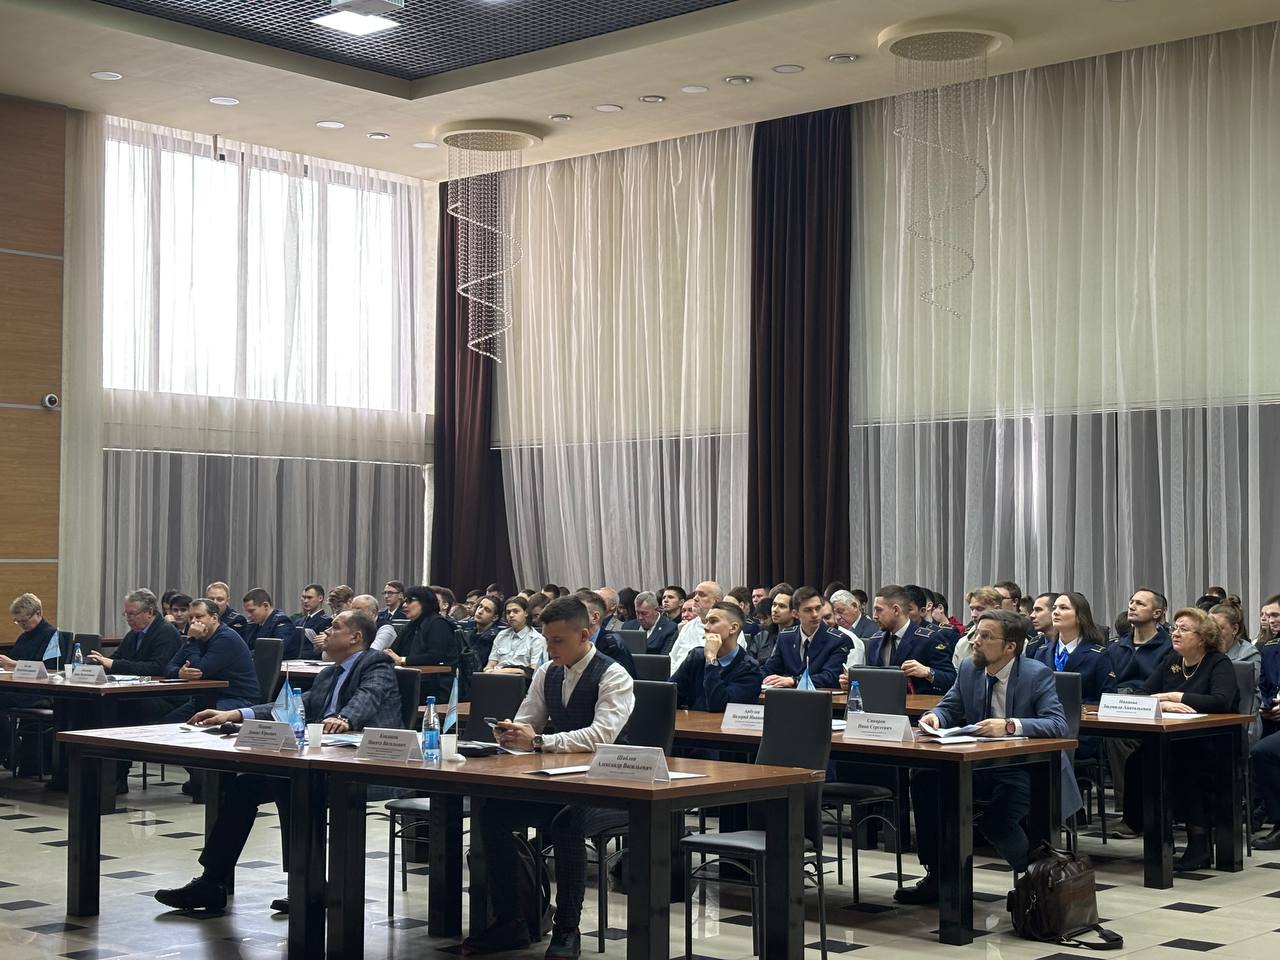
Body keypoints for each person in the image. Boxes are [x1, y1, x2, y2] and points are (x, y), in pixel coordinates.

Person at [153, 610, 401, 913]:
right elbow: (292, 706)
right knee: (244, 787)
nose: (326, 632)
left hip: (365, 767)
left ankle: (307, 884)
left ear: (355, 637)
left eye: (335, 627)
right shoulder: (329, 674)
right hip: (320, 761)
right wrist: (236, 714)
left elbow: (367, 697)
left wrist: (344, 718)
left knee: (290, 785)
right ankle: (212, 882)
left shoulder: (376, 665)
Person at [464, 597, 635, 958]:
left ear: (584, 635)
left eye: (558, 640)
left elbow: (601, 736)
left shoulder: (613, 674)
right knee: (493, 813)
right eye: (546, 640)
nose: (550, 648)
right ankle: (512, 920)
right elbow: (529, 721)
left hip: (614, 787)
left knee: (567, 822)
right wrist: (512, 732)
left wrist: (540, 741)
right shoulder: (547, 672)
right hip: (562, 782)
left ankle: (567, 929)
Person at [896, 610, 1079, 904]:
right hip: (979, 765)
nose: (975, 641)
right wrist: (935, 717)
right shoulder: (970, 668)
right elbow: (950, 706)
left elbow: (1058, 724)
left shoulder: (1035, 674)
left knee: (996, 820)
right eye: (975, 634)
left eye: (985, 636)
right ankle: (939, 875)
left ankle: (1040, 884)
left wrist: (1009, 726)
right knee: (925, 778)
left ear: (1010, 647)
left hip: (1027, 768)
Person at [1121, 607, 1240, 869]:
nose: (1175, 633)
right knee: (1138, 761)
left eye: (1184, 629)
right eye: (1175, 628)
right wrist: (1163, 704)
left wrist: (1176, 696)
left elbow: (1221, 701)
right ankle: (1155, 832)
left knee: (1186, 766)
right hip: (1172, 740)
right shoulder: (1172, 660)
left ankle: (1199, 843)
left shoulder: (1218, 662)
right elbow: (1142, 694)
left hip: (1214, 742)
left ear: (1203, 637)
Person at [1029, 592, 1114, 762]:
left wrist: (1085, 708)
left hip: (1081, 731)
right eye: (1054, 608)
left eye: (1064, 608)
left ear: (1080, 617)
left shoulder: (1097, 655)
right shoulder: (1041, 652)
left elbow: (1108, 697)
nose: (1056, 612)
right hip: (1044, 727)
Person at [160, 599, 259, 719]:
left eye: (198, 617)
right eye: (191, 617)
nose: (193, 621)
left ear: (214, 618)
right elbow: (168, 667)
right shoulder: (197, 637)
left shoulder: (226, 639)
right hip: (206, 698)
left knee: (201, 720)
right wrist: (180, 673)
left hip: (238, 699)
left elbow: (198, 671)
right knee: (167, 722)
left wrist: (192, 640)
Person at [0, 593, 62, 767]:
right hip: (20, 689)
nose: (22, 625)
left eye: (24, 621)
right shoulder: (24, 636)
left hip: (39, 693)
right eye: (18, 621)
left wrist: (13, 664)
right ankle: (10, 748)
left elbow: (50, 669)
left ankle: (10, 749)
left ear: (38, 613)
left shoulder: (52, 635)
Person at [670, 602, 764, 711]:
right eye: (706, 621)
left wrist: (711, 659)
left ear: (733, 628)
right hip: (692, 721)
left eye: (713, 621)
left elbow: (718, 706)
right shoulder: (696, 656)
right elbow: (669, 696)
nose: (706, 627)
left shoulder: (750, 669)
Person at [864, 584, 955, 695]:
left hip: (918, 705)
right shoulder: (875, 640)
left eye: (879, 610)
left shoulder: (929, 639)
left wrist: (928, 672)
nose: (874, 616)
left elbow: (951, 680)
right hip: (881, 702)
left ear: (896, 610)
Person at [761, 587, 848, 689]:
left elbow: (830, 677)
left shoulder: (837, 640)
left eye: (818, 608)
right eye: (808, 610)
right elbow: (770, 669)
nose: (815, 614)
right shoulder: (786, 637)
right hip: (787, 696)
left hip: (821, 695)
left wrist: (795, 681)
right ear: (795, 614)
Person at [386, 585, 459, 701]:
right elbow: (394, 650)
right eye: (404, 601)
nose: (404, 605)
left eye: (409, 600)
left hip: (436, 684)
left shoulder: (438, 624)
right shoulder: (411, 625)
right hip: (414, 679)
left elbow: (435, 656)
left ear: (424, 602)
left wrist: (403, 660)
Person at [90, 588, 182, 677]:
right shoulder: (133, 633)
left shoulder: (167, 632)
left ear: (150, 612)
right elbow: (117, 658)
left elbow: (157, 668)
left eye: (132, 614)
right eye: (126, 614)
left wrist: (113, 664)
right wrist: (102, 662)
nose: (128, 618)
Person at [1110, 588, 1172, 692]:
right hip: (1116, 699)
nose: (1131, 607)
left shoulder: (1170, 648)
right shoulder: (1115, 648)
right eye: (1131, 602)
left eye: (1140, 604)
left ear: (1157, 613)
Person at [1252, 630, 1280, 849]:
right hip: (1273, 715)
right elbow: (1263, 685)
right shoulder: (1271, 647)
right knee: (1259, 749)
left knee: (1266, 751)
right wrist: (1267, 705)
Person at [574, 589, 636, 677]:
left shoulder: (613, 645)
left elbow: (622, 680)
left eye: (577, 614)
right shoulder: (571, 642)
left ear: (595, 617)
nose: (570, 618)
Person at [667, 581, 725, 666]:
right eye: (695, 594)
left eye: (702, 595)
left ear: (716, 602)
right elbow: (673, 658)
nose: (695, 598)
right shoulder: (688, 626)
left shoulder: (728, 629)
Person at [486, 596, 546, 674]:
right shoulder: (501, 635)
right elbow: (490, 665)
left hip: (521, 679)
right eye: (508, 612)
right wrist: (489, 671)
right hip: (495, 677)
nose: (511, 615)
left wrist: (505, 671)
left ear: (526, 613)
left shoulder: (536, 639)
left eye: (515, 611)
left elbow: (535, 671)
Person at [240, 588, 301, 660]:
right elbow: (246, 646)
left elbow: (274, 650)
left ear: (265, 606)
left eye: (251, 611)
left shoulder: (282, 622)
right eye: (247, 611)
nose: (248, 615)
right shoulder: (254, 624)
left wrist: (244, 655)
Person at [950, 586, 1003, 668]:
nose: (973, 615)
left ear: (997, 609)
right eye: (972, 609)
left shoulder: (1011, 640)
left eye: (980, 609)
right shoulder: (962, 644)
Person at [623, 590, 678, 655]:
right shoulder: (628, 627)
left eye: (644, 613)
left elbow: (665, 658)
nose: (640, 617)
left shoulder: (670, 629)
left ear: (656, 610)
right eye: (637, 612)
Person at [823, 596, 865, 666]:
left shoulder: (851, 640)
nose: (823, 622)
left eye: (827, 617)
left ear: (834, 616)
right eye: (819, 619)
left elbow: (850, 671)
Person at [467, 595, 502, 666]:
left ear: (495, 617)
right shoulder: (469, 633)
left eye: (487, 610)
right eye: (480, 606)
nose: (480, 611)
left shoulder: (495, 637)